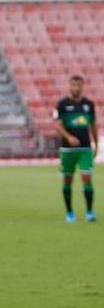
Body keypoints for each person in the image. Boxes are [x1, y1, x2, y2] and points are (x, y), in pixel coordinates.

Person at [54, 75, 98, 223]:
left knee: (87, 178)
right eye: (73, 85)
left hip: (85, 148)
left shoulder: (89, 105)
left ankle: (90, 212)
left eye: (79, 85)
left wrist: (96, 143)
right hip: (67, 150)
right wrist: (69, 137)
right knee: (68, 180)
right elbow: (57, 125)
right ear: (69, 86)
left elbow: (94, 125)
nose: (76, 88)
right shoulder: (62, 104)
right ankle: (70, 212)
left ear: (82, 86)